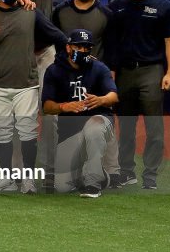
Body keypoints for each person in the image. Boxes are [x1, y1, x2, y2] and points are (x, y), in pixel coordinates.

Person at [0, 0, 66, 194]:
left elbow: (56, 35)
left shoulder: (30, 11)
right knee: (2, 133)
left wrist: (71, 54)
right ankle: (6, 177)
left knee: (27, 133)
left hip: (26, 83)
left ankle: (27, 180)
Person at [107, 0, 170, 190]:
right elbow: (110, 41)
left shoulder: (162, 5)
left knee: (154, 128)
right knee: (126, 127)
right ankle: (126, 172)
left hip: (152, 70)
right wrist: (110, 70)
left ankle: (150, 175)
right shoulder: (116, 5)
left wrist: (169, 72)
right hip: (125, 72)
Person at [42, 29, 119, 198]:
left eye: (87, 47)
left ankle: (93, 183)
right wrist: (64, 107)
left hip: (96, 121)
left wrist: (101, 100)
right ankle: (93, 173)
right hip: (70, 132)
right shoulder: (55, 70)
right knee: (62, 186)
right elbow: (47, 107)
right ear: (69, 47)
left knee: (94, 127)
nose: (83, 51)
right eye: (79, 46)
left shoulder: (98, 68)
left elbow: (114, 96)